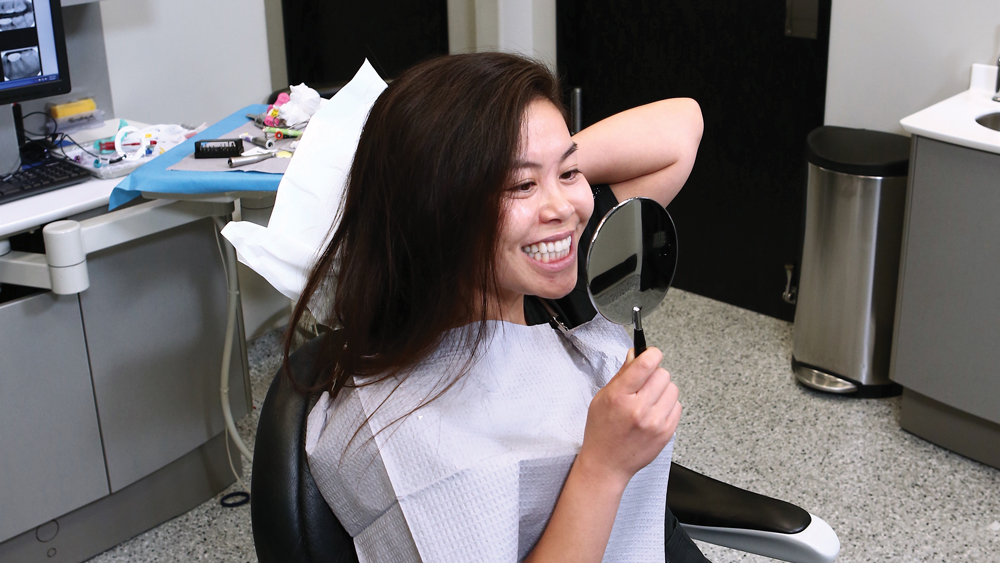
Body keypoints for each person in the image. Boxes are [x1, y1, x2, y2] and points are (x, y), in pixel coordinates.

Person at [293, 52, 705, 562]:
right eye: (520, 186)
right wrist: (604, 466)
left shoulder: (550, 283)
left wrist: (540, 164)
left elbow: (682, 127)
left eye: (571, 172)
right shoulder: (401, 432)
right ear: (438, 207)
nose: (565, 209)